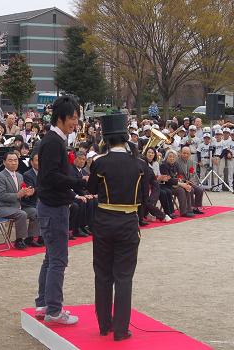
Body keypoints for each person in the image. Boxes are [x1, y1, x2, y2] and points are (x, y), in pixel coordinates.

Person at [87, 113, 145, 341]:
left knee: (102, 274)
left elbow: (90, 188)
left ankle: (104, 325)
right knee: (124, 276)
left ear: (106, 139)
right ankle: (121, 330)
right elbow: (142, 196)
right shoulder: (139, 164)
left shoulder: (99, 162)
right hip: (128, 222)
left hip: (103, 220)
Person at [35, 96, 86, 325]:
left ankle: (44, 303)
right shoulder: (54, 141)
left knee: (50, 258)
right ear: (62, 117)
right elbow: (50, 176)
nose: (75, 123)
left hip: (51, 205)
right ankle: (54, 310)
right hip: (53, 208)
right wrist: (75, 182)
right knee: (58, 260)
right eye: (73, 118)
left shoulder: (55, 140)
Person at [0, 152, 39, 249]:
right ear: (4, 162)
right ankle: (19, 240)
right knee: (22, 214)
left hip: (17, 206)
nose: (14, 163)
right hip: (4, 207)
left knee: (35, 211)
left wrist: (27, 194)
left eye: (15, 160)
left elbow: (21, 193)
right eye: (10, 160)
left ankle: (30, 238)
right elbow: (1, 196)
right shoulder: (0, 176)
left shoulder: (19, 176)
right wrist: (18, 195)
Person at [160, 150, 195, 218]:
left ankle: (189, 210)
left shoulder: (176, 164)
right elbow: (168, 180)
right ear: (167, 157)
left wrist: (183, 181)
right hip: (167, 186)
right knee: (181, 190)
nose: (172, 158)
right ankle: (183, 212)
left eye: (173, 157)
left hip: (176, 184)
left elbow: (180, 175)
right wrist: (181, 184)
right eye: (170, 157)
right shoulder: (163, 165)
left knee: (187, 188)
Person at [22, 151, 44, 246]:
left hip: (42, 200)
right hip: (29, 203)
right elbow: (31, 191)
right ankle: (30, 238)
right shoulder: (27, 175)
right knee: (38, 211)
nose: (40, 163)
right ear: (31, 162)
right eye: (37, 160)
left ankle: (43, 236)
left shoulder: (44, 173)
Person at [177, 146, 205, 213]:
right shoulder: (177, 162)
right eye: (184, 153)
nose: (185, 155)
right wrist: (183, 181)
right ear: (181, 153)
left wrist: (191, 180)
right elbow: (176, 174)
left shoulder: (191, 161)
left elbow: (192, 173)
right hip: (181, 183)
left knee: (200, 190)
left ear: (189, 154)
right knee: (191, 189)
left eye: (187, 153)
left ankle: (197, 207)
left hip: (189, 181)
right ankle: (190, 207)